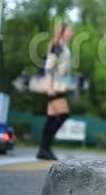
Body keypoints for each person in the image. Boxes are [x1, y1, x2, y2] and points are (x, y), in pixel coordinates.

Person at [36, 22, 75, 160]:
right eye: (69, 30)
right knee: (63, 115)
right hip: (54, 86)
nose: (72, 32)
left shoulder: (65, 47)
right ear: (62, 32)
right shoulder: (57, 47)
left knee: (51, 118)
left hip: (60, 86)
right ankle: (44, 148)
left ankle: (44, 149)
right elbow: (48, 67)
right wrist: (49, 87)